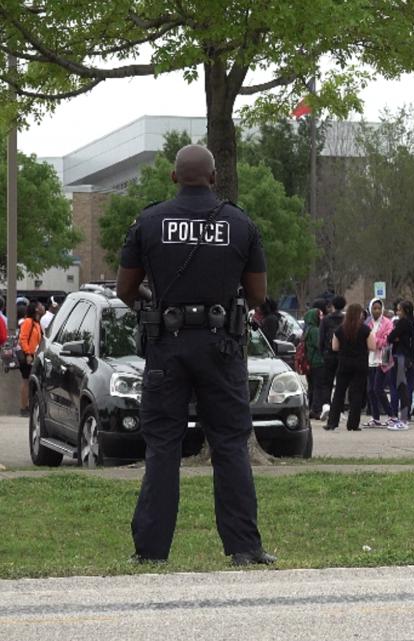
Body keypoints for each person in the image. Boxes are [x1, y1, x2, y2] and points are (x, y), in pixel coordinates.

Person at [116, 144, 273, 566]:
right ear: (214, 176)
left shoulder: (148, 222)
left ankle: (150, 551)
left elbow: (125, 290)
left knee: (163, 445)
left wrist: (158, 306)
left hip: (166, 347)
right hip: (222, 347)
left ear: (173, 177)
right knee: (229, 443)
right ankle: (244, 547)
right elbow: (257, 294)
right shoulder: (240, 225)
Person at [326, 303, 370, 431]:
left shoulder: (340, 329)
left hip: (344, 363)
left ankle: (332, 422)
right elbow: (372, 346)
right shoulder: (365, 329)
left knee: (339, 392)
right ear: (359, 314)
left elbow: (334, 347)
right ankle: (352, 424)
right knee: (356, 394)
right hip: (360, 364)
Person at [386, 300, 414, 430]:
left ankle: (403, 419)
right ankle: (404, 416)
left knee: (401, 387)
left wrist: (395, 337)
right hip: (408, 358)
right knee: (405, 387)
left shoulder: (403, 322)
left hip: (400, 357)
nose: (397, 312)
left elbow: (390, 337)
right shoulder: (412, 323)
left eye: (399, 310)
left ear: (405, 311)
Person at [317, 296, 347, 419]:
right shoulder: (346, 319)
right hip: (343, 354)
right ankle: (339, 408)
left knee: (327, 382)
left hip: (328, 354)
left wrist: (322, 352)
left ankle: (326, 405)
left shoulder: (326, 320)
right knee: (341, 382)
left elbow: (321, 338)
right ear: (344, 305)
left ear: (332, 305)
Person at [365, 299, 393, 426]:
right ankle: (375, 417)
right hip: (370, 359)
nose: (377, 311)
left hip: (382, 360)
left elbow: (387, 341)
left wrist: (373, 340)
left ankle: (391, 415)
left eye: (379, 308)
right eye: (374, 308)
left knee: (378, 389)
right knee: (370, 390)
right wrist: (373, 342)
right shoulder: (368, 323)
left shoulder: (387, 323)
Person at [17, 301, 45, 416]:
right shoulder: (28, 322)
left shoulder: (37, 323)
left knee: (30, 382)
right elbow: (22, 339)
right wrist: (28, 354)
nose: (43, 307)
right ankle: (23, 408)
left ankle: (28, 406)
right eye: (41, 306)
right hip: (27, 356)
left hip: (34, 356)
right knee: (26, 381)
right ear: (36, 310)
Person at [302, 304, 325, 419]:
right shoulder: (315, 330)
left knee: (311, 387)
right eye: (319, 316)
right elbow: (319, 345)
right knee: (318, 387)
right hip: (318, 362)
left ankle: (310, 407)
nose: (321, 318)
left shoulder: (307, 330)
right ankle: (316, 409)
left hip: (309, 363)